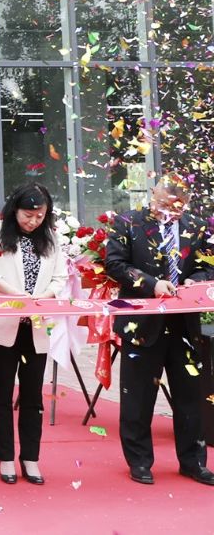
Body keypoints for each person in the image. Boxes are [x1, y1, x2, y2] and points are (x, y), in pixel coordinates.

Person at [105, 174, 214, 486]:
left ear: (187, 203)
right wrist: (151, 284)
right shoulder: (128, 223)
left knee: (190, 397)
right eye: (163, 204)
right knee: (138, 398)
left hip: (185, 324)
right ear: (154, 194)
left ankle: (194, 462)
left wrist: (196, 280)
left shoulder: (197, 226)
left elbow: (209, 264)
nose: (168, 211)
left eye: (176, 207)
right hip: (142, 324)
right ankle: (139, 461)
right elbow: (115, 264)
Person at [0, 183, 67, 486]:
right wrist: (17, 296)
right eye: (28, 215)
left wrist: (42, 298)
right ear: (15, 210)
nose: (33, 222)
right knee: (1, 394)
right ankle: (5, 457)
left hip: (36, 325)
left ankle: (30, 457)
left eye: (39, 216)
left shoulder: (51, 237)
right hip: (4, 325)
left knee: (32, 396)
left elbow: (60, 278)